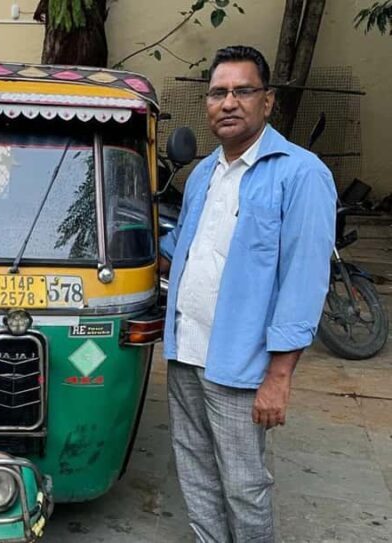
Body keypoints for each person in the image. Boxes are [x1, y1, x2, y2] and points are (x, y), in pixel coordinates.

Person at [159, 45, 335, 542]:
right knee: (194, 471)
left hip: (240, 363)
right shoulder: (202, 175)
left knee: (243, 484)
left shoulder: (301, 174)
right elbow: (181, 252)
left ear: (268, 101)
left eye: (243, 91)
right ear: (207, 104)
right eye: (218, 92)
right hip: (185, 353)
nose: (229, 102)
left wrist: (279, 377)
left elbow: (303, 282)